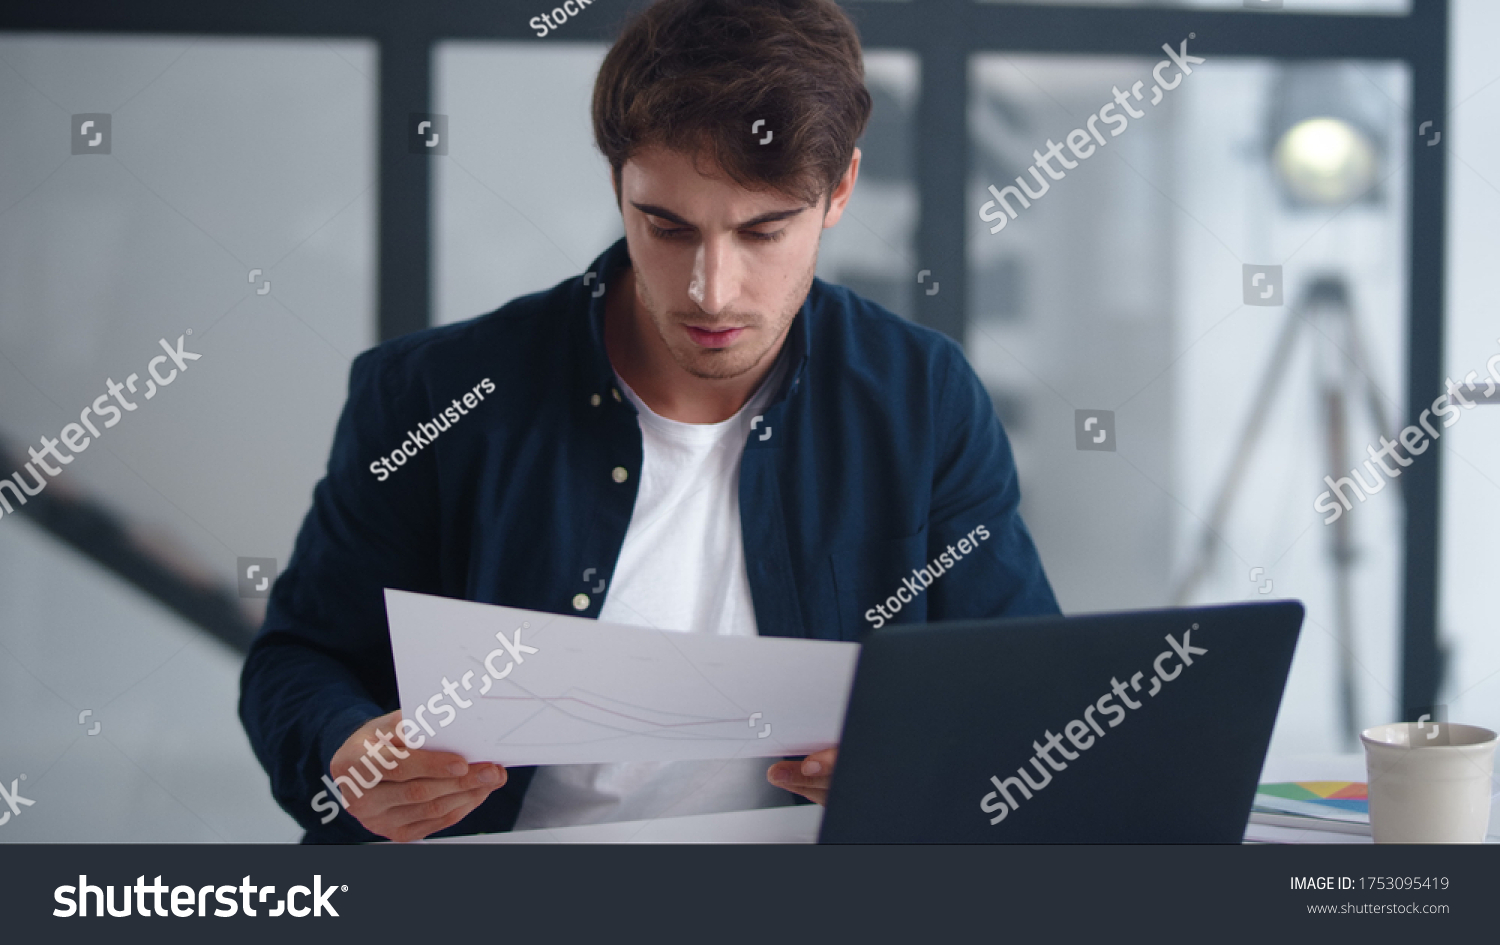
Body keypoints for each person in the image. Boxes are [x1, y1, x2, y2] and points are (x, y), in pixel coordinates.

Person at [239, 0, 1059, 843]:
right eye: (667, 228)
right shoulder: (433, 395)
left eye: (763, 230)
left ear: (840, 190)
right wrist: (348, 754)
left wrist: (920, 759)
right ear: (617, 183)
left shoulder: (922, 399)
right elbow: (299, 661)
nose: (712, 290)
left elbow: (1023, 695)